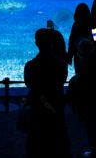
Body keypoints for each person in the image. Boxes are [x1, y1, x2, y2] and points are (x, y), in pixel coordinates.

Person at [24, 28, 70, 158]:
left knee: (36, 137)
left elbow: (29, 84)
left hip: (37, 107)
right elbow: (62, 80)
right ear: (52, 43)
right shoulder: (61, 64)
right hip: (56, 105)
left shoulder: (30, 66)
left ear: (36, 43)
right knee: (59, 136)